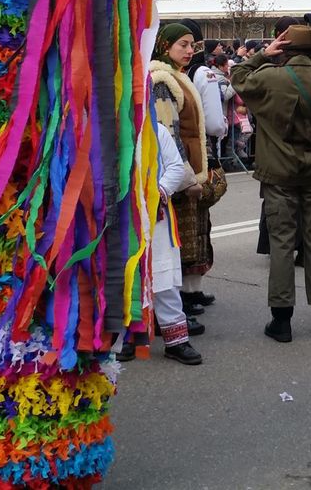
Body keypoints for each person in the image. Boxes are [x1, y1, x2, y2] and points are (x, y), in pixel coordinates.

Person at [231, 17, 311, 342]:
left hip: (278, 173)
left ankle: (281, 322)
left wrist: (261, 55)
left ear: (283, 48)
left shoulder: (268, 77)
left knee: (281, 243)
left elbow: (237, 77)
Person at [117, 119, 203, 365]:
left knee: (164, 278)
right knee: (127, 277)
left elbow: (175, 167)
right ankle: (131, 336)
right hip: (122, 220)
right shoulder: (108, 127)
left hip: (157, 217)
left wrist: (157, 194)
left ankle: (176, 341)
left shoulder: (157, 129)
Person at [149, 23, 215, 337]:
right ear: (165, 45)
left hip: (183, 172)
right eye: (183, 45)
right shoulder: (161, 79)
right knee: (173, 250)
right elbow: (167, 134)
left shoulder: (176, 75)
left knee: (185, 244)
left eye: (192, 45)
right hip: (175, 178)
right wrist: (186, 179)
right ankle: (172, 315)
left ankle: (180, 307)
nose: (190, 51)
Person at [176, 18, 228, 316]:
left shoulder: (177, 73)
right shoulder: (202, 72)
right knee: (196, 221)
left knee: (189, 223)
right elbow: (214, 123)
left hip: (180, 155)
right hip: (200, 153)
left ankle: (190, 289)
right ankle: (190, 290)